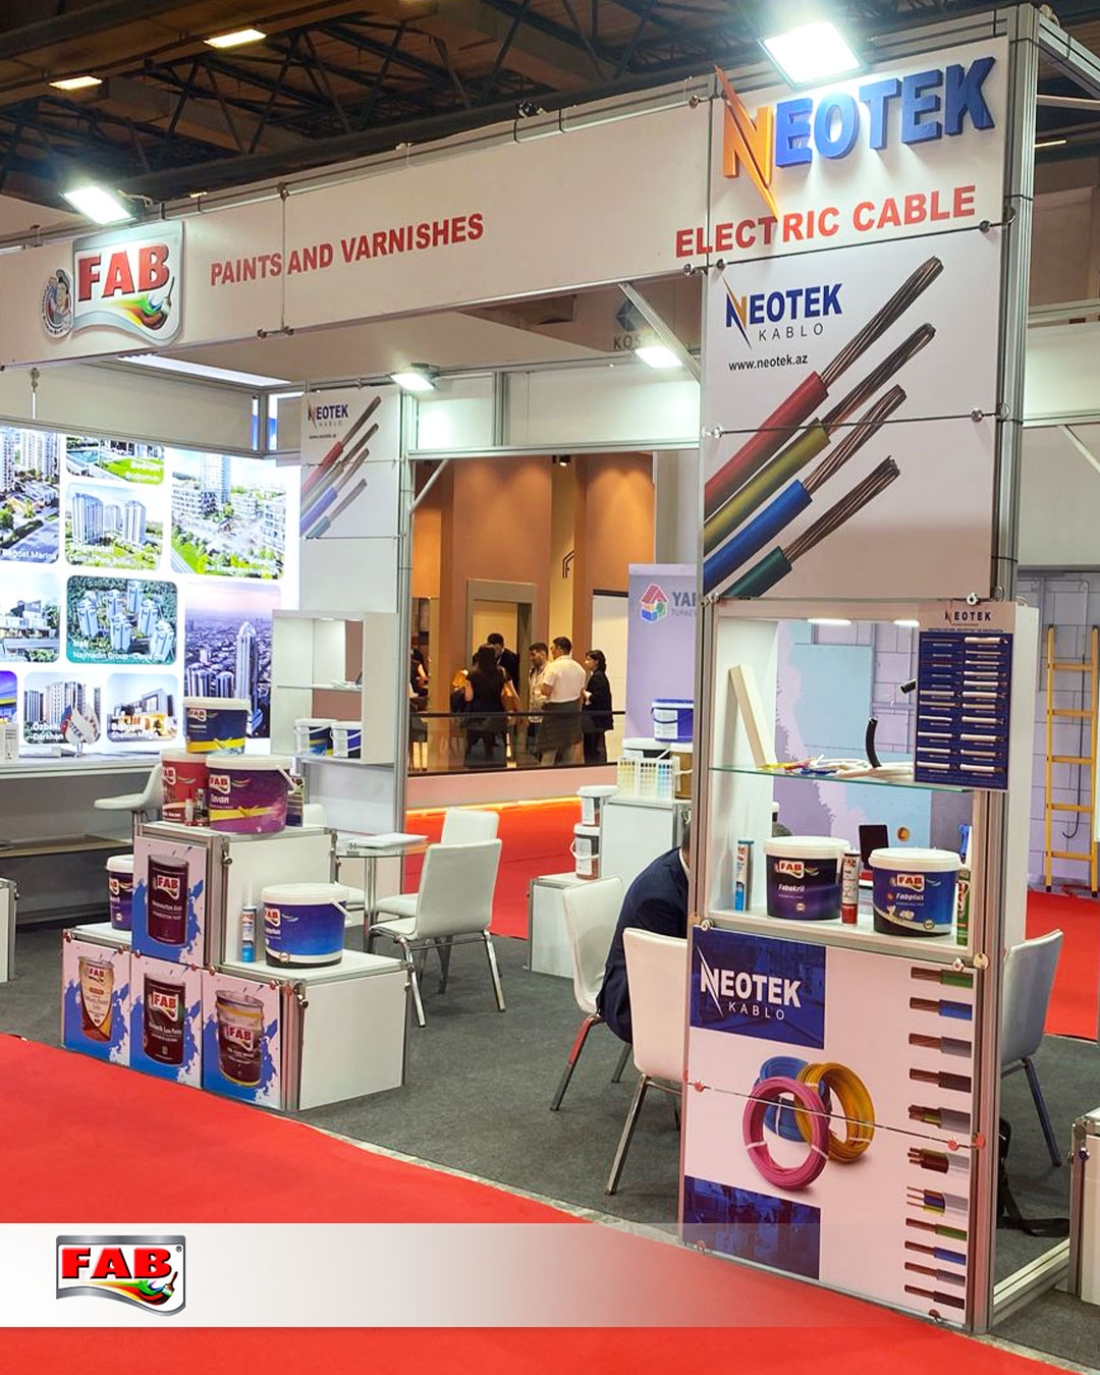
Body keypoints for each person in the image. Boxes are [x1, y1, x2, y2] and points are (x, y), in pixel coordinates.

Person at [598, 822, 690, 1045]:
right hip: (631, 1001)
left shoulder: (685, 865)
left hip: (664, 985)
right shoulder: (658, 896)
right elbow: (668, 978)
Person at [537, 635, 586, 765]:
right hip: (573, 712)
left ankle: (545, 774)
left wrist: (540, 687)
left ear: (559, 648)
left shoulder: (553, 667)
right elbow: (581, 693)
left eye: (552, 648)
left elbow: (546, 690)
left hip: (554, 712)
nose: (551, 651)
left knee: (549, 749)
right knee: (569, 747)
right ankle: (568, 774)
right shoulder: (580, 668)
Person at [463, 643, 515, 767]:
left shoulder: (473, 673)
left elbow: (468, 697)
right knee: (497, 747)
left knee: (476, 747)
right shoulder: (502, 671)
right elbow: (511, 693)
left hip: (477, 715)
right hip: (498, 715)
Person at [582, 648, 613, 764]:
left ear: (596, 661)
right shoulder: (599, 676)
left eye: (589, 659)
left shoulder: (597, 677)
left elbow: (598, 698)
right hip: (597, 719)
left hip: (595, 719)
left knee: (593, 746)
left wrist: (586, 694)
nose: (586, 662)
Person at [525, 642, 549, 763]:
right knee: (531, 747)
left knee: (543, 748)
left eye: (534, 655)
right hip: (533, 714)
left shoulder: (551, 670)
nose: (531, 658)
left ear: (543, 654)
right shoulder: (532, 672)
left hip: (545, 714)